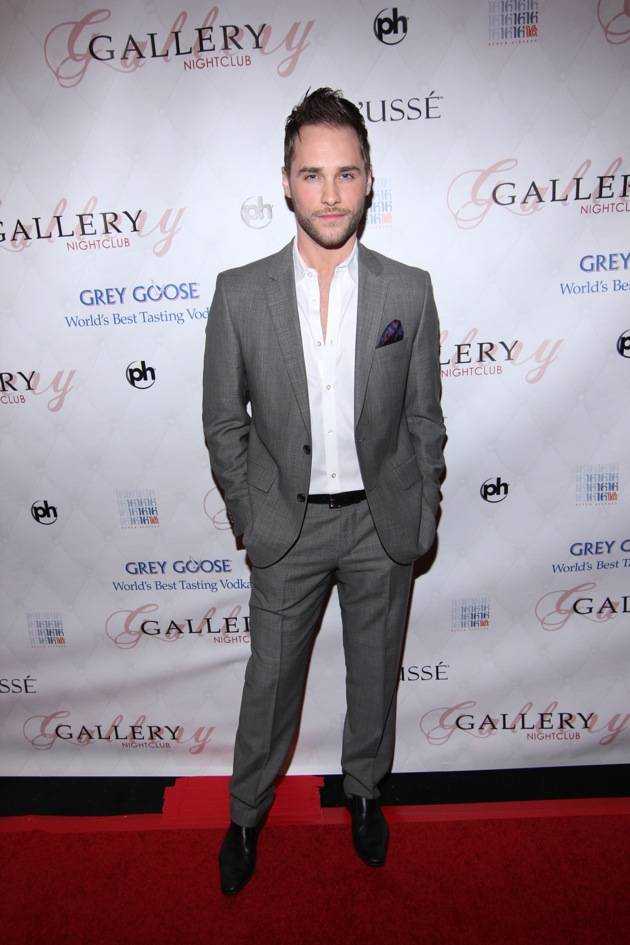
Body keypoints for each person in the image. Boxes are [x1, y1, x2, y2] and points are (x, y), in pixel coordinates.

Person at [202, 87, 446, 895]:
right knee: (270, 684)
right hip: (288, 526)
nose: (331, 193)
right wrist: (252, 513)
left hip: (382, 523)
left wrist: (421, 504)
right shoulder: (240, 293)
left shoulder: (409, 291)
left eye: (346, 173)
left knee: (375, 675)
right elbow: (223, 422)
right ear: (286, 183)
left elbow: (424, 416)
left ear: (369, 179)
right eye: (313, 174)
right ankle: (245, 814)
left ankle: (365, 792)